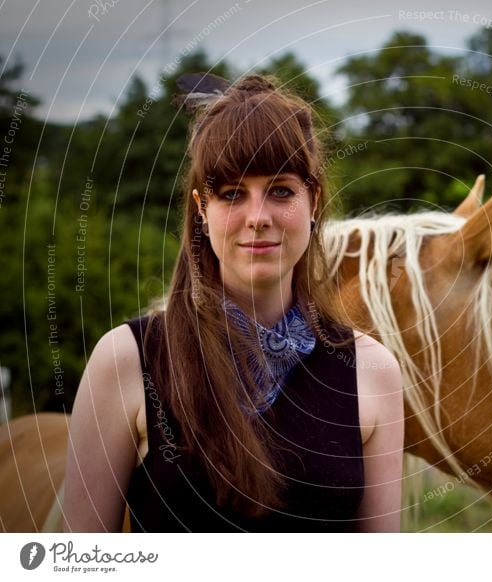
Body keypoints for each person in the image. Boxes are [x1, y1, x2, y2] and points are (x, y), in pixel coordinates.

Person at [62, 74, 404, 532]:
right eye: (232, 194)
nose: (257, 217)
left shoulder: (371, 370)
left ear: (314, 200)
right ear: (202, 209)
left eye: (281, 190)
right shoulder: (127, 360)